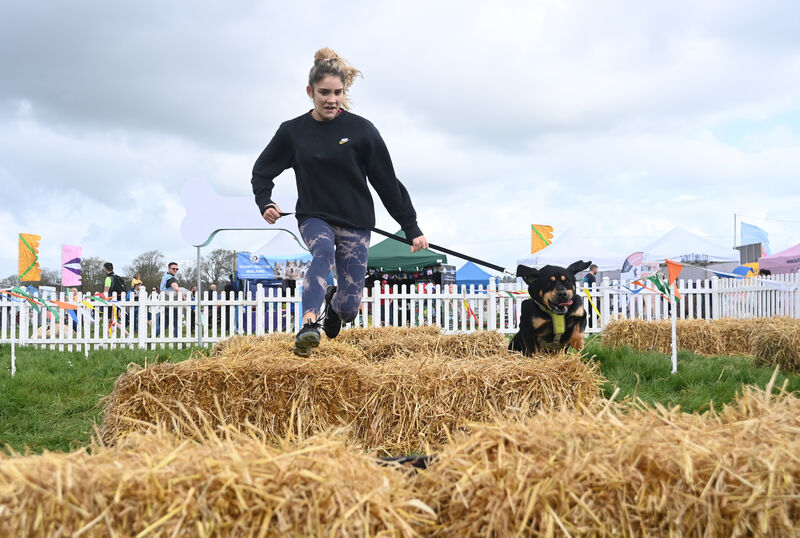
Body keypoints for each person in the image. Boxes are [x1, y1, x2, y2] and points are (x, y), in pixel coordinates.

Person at [252, 47, 428, 357]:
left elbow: (386, 182)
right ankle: (308, 324)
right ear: (310, 91)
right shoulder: (293, 132)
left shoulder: (361, 131)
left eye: (337, 92)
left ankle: (334, 306)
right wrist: (265, 202)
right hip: (314, 217)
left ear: (344, 91)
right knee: (321, 252)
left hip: (356, 222)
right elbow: (262, 171)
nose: (331, 99)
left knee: (349, 309)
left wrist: (410, 227)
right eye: (324, 93)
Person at [156, 261, 182, 337]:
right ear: (169, 269)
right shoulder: (171, 278)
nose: (175, 270)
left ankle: (150, 339)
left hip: (164, 304)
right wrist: (184, 296)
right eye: (174, 268)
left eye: (177, 269)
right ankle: (179, 341)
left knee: (164, 325)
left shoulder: (164, 277)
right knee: (177, 323)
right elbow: (176, 288)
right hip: (171, 304)